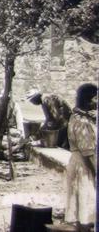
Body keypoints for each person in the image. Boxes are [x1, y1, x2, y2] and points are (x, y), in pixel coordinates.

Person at [64, 83, 97, 230]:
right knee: (84, 210)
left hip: (78, 163)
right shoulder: (82, 122)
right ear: (88, 100)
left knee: (80, 208)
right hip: (84, 166)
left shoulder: (78, 116)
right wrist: (97, 171)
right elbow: (88, 151)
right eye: (96, 98)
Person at [0, 91, 29, 160]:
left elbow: (19, 122)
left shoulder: (15, 106)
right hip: (1, 130)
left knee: (11, 140)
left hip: (12, 129)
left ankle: (4, 148)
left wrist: (20, 132)